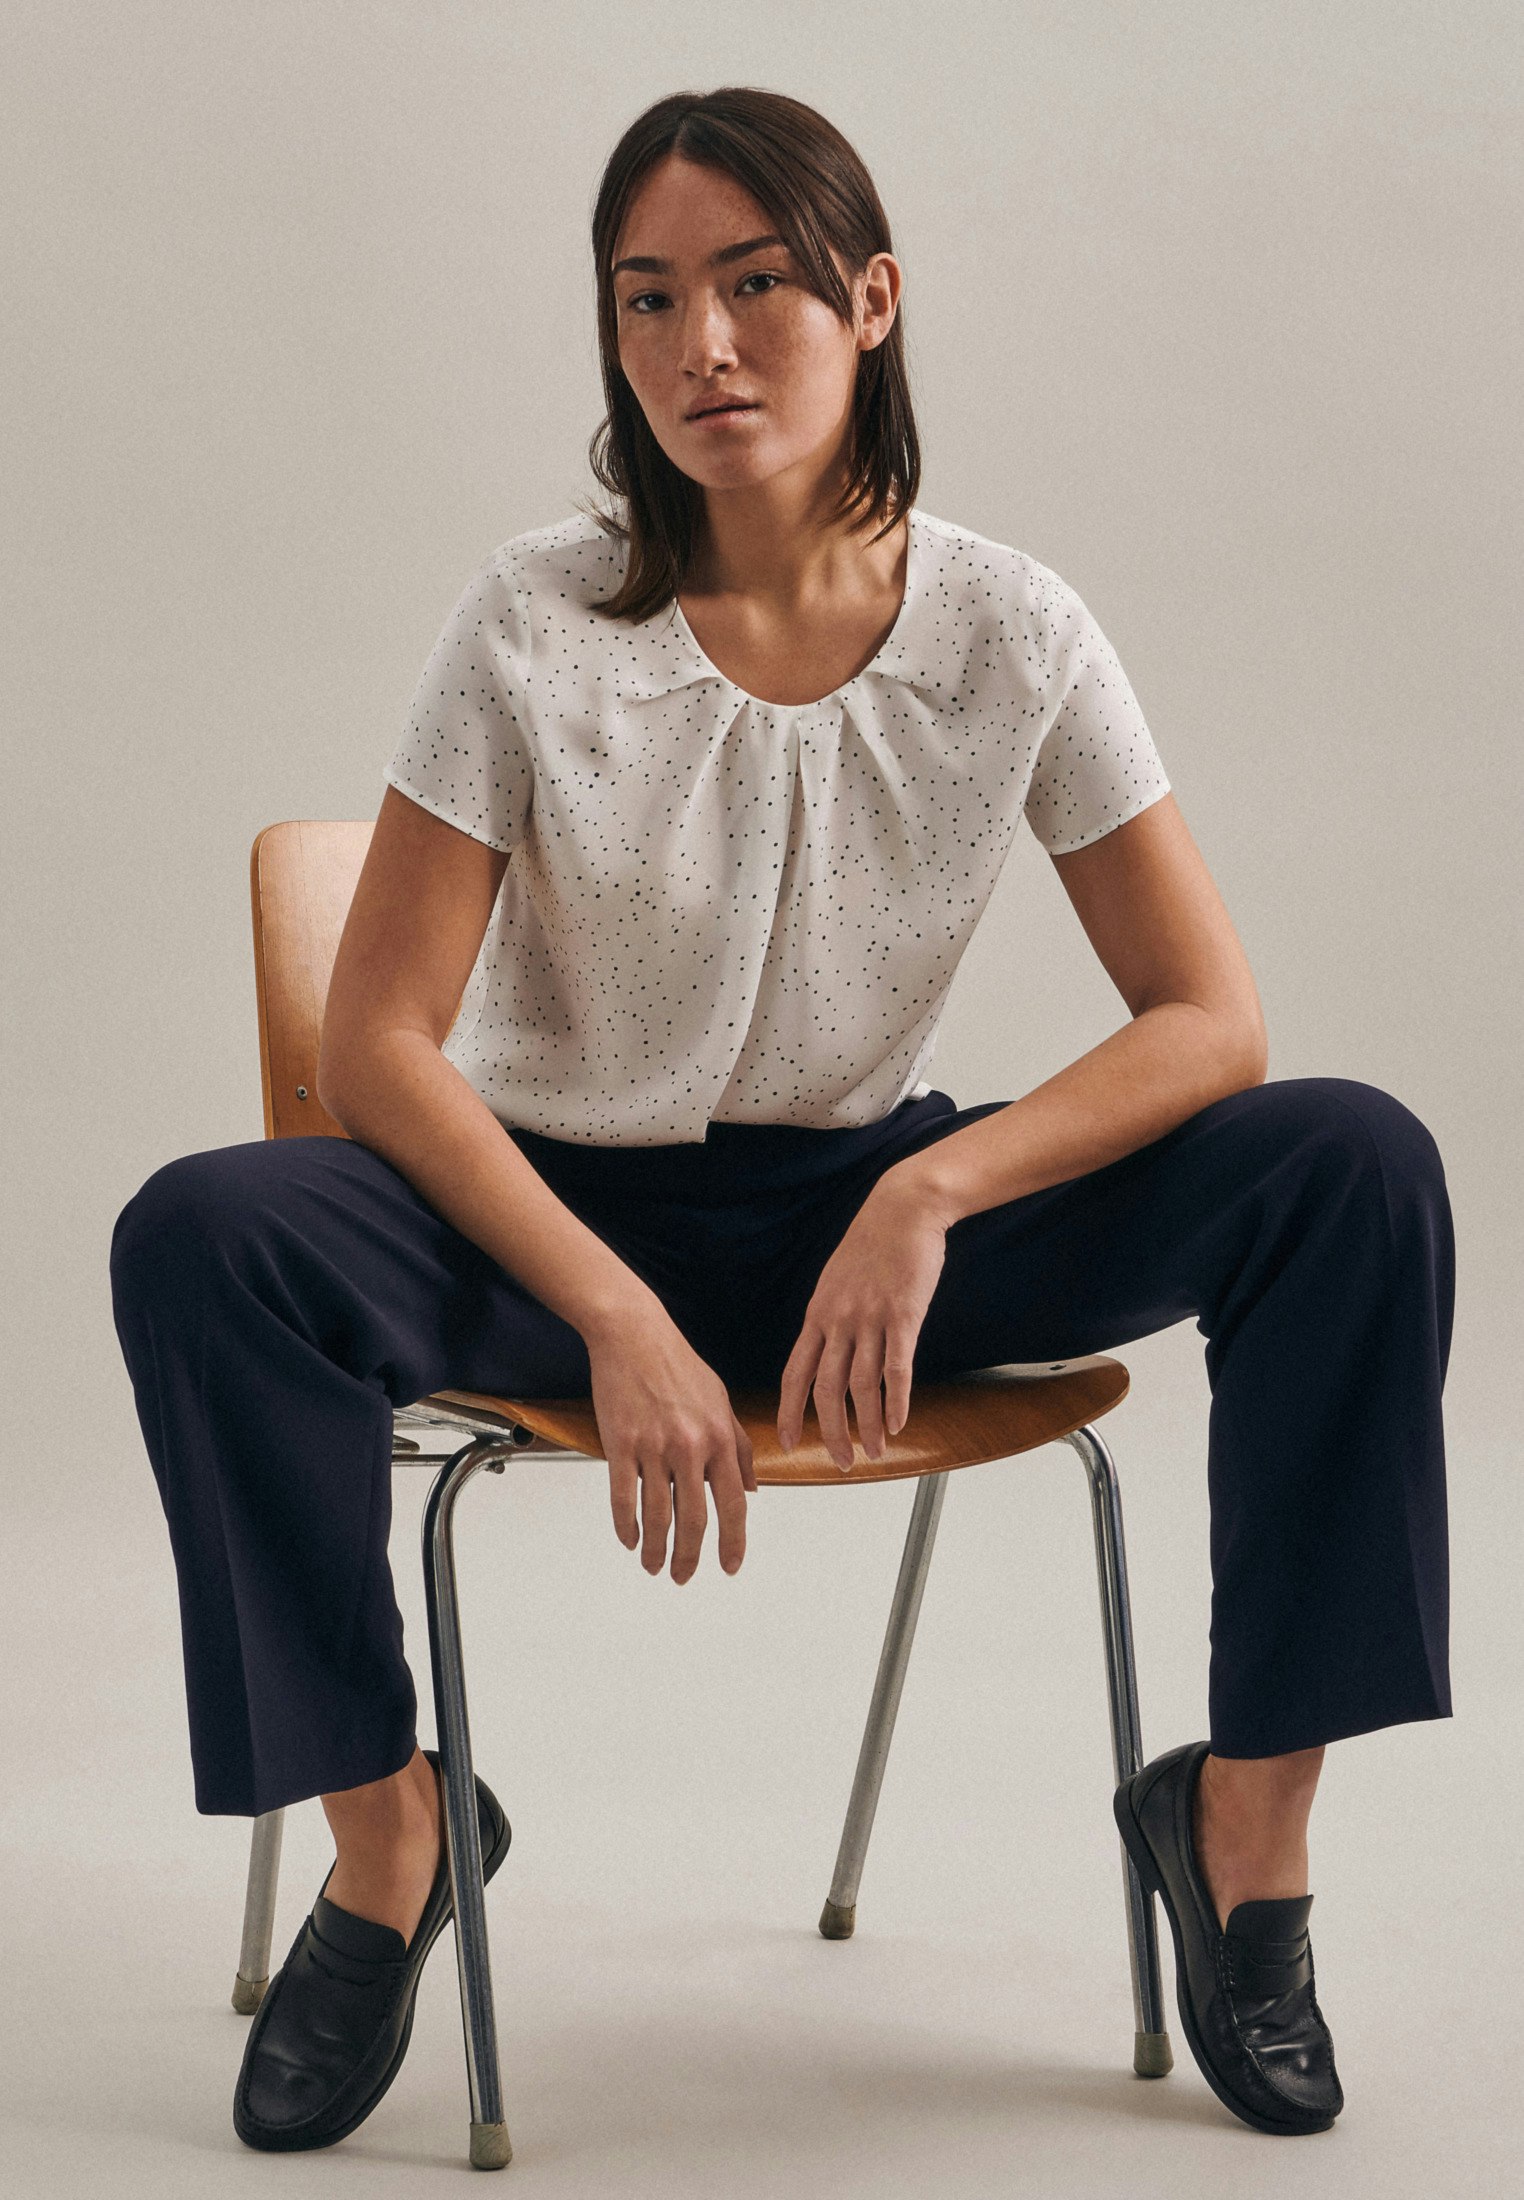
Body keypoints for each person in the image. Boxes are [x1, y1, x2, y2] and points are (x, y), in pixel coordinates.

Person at [109, 86, 1454, 2156]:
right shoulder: (530, 622)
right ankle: (392, 1838)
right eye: (648, 299)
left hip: (867, 1226)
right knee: (201, 1233)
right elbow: (378, 1045)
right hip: (546, 1219)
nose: (701, 347)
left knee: (1354, 1165)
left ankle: (1243, 1835)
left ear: (872, 302)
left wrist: (932, 1192)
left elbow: (1213, 1020)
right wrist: (612, 1306)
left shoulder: (1012, 629)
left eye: (755, 286)